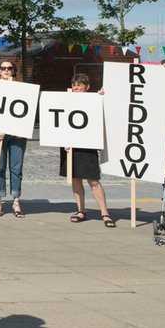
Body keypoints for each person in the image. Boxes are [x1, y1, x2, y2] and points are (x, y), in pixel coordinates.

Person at [62, 74, 114, 228]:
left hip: (87, 143)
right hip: (70, 144)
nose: (76, 87)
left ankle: (104, 213)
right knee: (75, 178)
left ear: (87, 86)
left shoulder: (95, 100)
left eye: (79, 85)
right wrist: (61, 139)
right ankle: (80, 210)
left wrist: (102, 96)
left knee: (93, 180)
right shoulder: (65, 99)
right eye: (74, 84)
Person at [0, 60, 27, 219]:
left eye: (9, 68)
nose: (6, 70)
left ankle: (16, 200)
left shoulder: (22, 88)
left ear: (14, 71)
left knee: (16, 168)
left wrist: (21, 129)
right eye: (3, 68)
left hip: (16, 135)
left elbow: (26, 110)